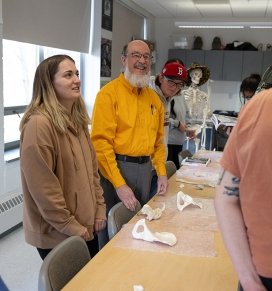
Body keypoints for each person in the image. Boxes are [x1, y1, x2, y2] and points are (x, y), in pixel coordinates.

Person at [19, 55, 106, 260]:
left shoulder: (77, 120)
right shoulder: (39, 126)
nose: (77, 79)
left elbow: (93, 171)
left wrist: (100, 209)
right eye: (68, 75)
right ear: (49, 84)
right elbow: (44, 191)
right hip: (58, 233)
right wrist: (72, 226)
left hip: (85, 225)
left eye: (76, 73)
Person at [90, 40, 167, 248]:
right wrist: (119, 184)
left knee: (138, 228)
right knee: (113, 233)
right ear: (124, 60)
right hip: (115, 169)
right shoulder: (108, 95)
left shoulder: (154, 99)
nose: (142, 61)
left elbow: (158, 141)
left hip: (145, 170)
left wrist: (160, 171)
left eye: (146, 57)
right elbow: (101, 144)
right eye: (136, 55)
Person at [215, 88, 272, 290]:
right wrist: (250, 280)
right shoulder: (259, 107)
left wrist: (248, 280)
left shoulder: (257, 105)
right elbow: (225, 196)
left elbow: (224, 197)